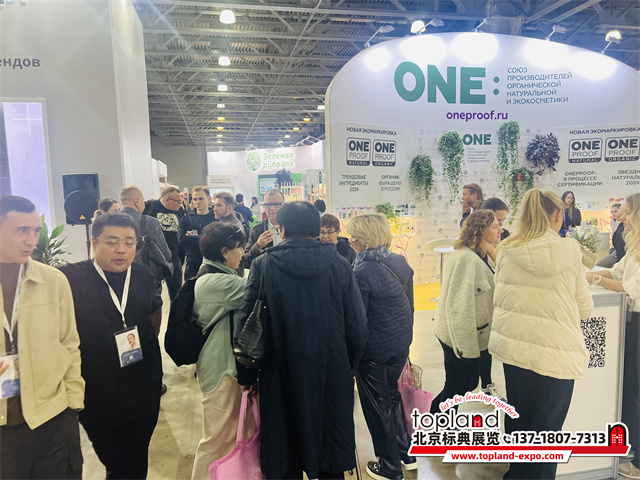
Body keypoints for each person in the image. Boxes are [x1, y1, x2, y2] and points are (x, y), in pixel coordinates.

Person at [236, 201, 368, 480]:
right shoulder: (339, 264)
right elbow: (357, 327)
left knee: (285, 453)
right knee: (330, 452)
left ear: (282, 229)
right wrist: (348, 367)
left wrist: (247, 374)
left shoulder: (263, 265)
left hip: (278, 372)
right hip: (330, 372)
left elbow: (247, 323)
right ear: (316, 229)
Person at [490, 189, 593, 480]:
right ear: (558, 215)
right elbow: (585, 308)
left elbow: (501, 296)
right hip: (556, 353)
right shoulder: (570, 250)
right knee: (547, 433)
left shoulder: (507, 249)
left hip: (516, 350)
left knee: (519, 421)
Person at [60, 212, 163, 480]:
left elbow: (154, 311)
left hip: (143, 386)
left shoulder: (142, 275)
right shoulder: (70, 279)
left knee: (137, 459)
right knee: (115, 461)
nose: (121, 249)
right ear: (94, 242)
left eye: (129, 242)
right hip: (98, 391)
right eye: (112, 241)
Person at [0, 195, 84, 479]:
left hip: (52, 416)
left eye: (35, 230)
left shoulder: (53, 280)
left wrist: (73, 402)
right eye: (21, 230)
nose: (31, 240)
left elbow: (69, 342)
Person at [346, 213, 415, 480]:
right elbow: (410, 305)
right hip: (400, 344)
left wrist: (352, 358)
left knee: (378, 407)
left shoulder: (361, 271)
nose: (351, 240)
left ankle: (389, 466)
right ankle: (406, 453)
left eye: (355, 236)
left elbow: (358, 321)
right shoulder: (398, 260)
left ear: (366, 238)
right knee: (392, 396)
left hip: (374, 351)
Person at [586, 194, 640, 479]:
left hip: (638, 323)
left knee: (636, 388)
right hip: (631, 323)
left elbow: (631, 287)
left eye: (627, 212)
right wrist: (593, 273)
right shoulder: (634, 247)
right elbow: (618, 272)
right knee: (629, 385)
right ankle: (630, 445)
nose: (621, 217)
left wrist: (595, 279)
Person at [190, 223, 249, 480]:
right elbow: (258, 285)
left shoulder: (217, 274)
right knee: (217, 439)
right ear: (225, 252)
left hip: (225, 367)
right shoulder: (216, 282)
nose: (243, 253)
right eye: (240, 248)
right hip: (221, 370)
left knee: (232, 434)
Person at [430, 210, 503, 416]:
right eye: (495, 226)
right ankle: (437, 423)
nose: (501, 230)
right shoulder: (467, 259)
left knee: (465, 384)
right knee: (457, 386)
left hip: (470, 336)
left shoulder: (481, 254)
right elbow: (459, 308)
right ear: (481, 231)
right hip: (458, 338)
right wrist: (465, 350)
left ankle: (435, 419)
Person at [120, 186, 172, 316]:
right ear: (137, 201)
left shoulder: (107, 222)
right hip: (147, 284)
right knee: (149, 321)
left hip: (117, 282)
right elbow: (166, 254)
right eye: (143, 201)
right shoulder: (150, 222)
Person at [143, 186, 185, 300]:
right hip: (153, 258)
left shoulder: (180, 210)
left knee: (176, 295)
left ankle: (174, 312)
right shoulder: (149, 206)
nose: (180, 204)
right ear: (167, 199)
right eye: (178, 202)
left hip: (173, 257)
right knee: (152, 295)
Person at [178, 186, 216, 280]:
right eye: (195, 199)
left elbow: (217, 240)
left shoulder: (216, 219)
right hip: (192, 266)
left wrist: (193, 238)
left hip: (212, 266)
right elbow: (181, 240)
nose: (197, 202)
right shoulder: (186, 220)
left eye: (201, 199)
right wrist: (207, 237)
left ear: (208, 199)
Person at [244, 189, 285, 269]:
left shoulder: (291, 227)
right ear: (264, 206)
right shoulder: (257, 229)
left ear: (283, 205)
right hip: (265, 273)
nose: (272, 208)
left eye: (276, 204)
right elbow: (246, 261)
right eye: (268, 205)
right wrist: (258, 246)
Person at [596, 203, 626, 268]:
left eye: (616, 211)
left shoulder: (625, 224)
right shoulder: (612, 222)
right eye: (612, 212)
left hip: (621, 250)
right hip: (615, 248)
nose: (613, 214)